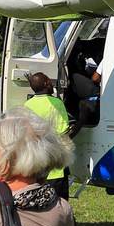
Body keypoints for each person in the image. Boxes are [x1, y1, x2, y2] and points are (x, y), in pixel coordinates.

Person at [22, 72, 72, 200]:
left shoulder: (28, 104)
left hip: (35, 165)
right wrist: (82, 119)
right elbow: (64, 132)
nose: (51, 83)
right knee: (58, 204)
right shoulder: (56, 103)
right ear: (45, 84)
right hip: (54, 168)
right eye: (49, 81)